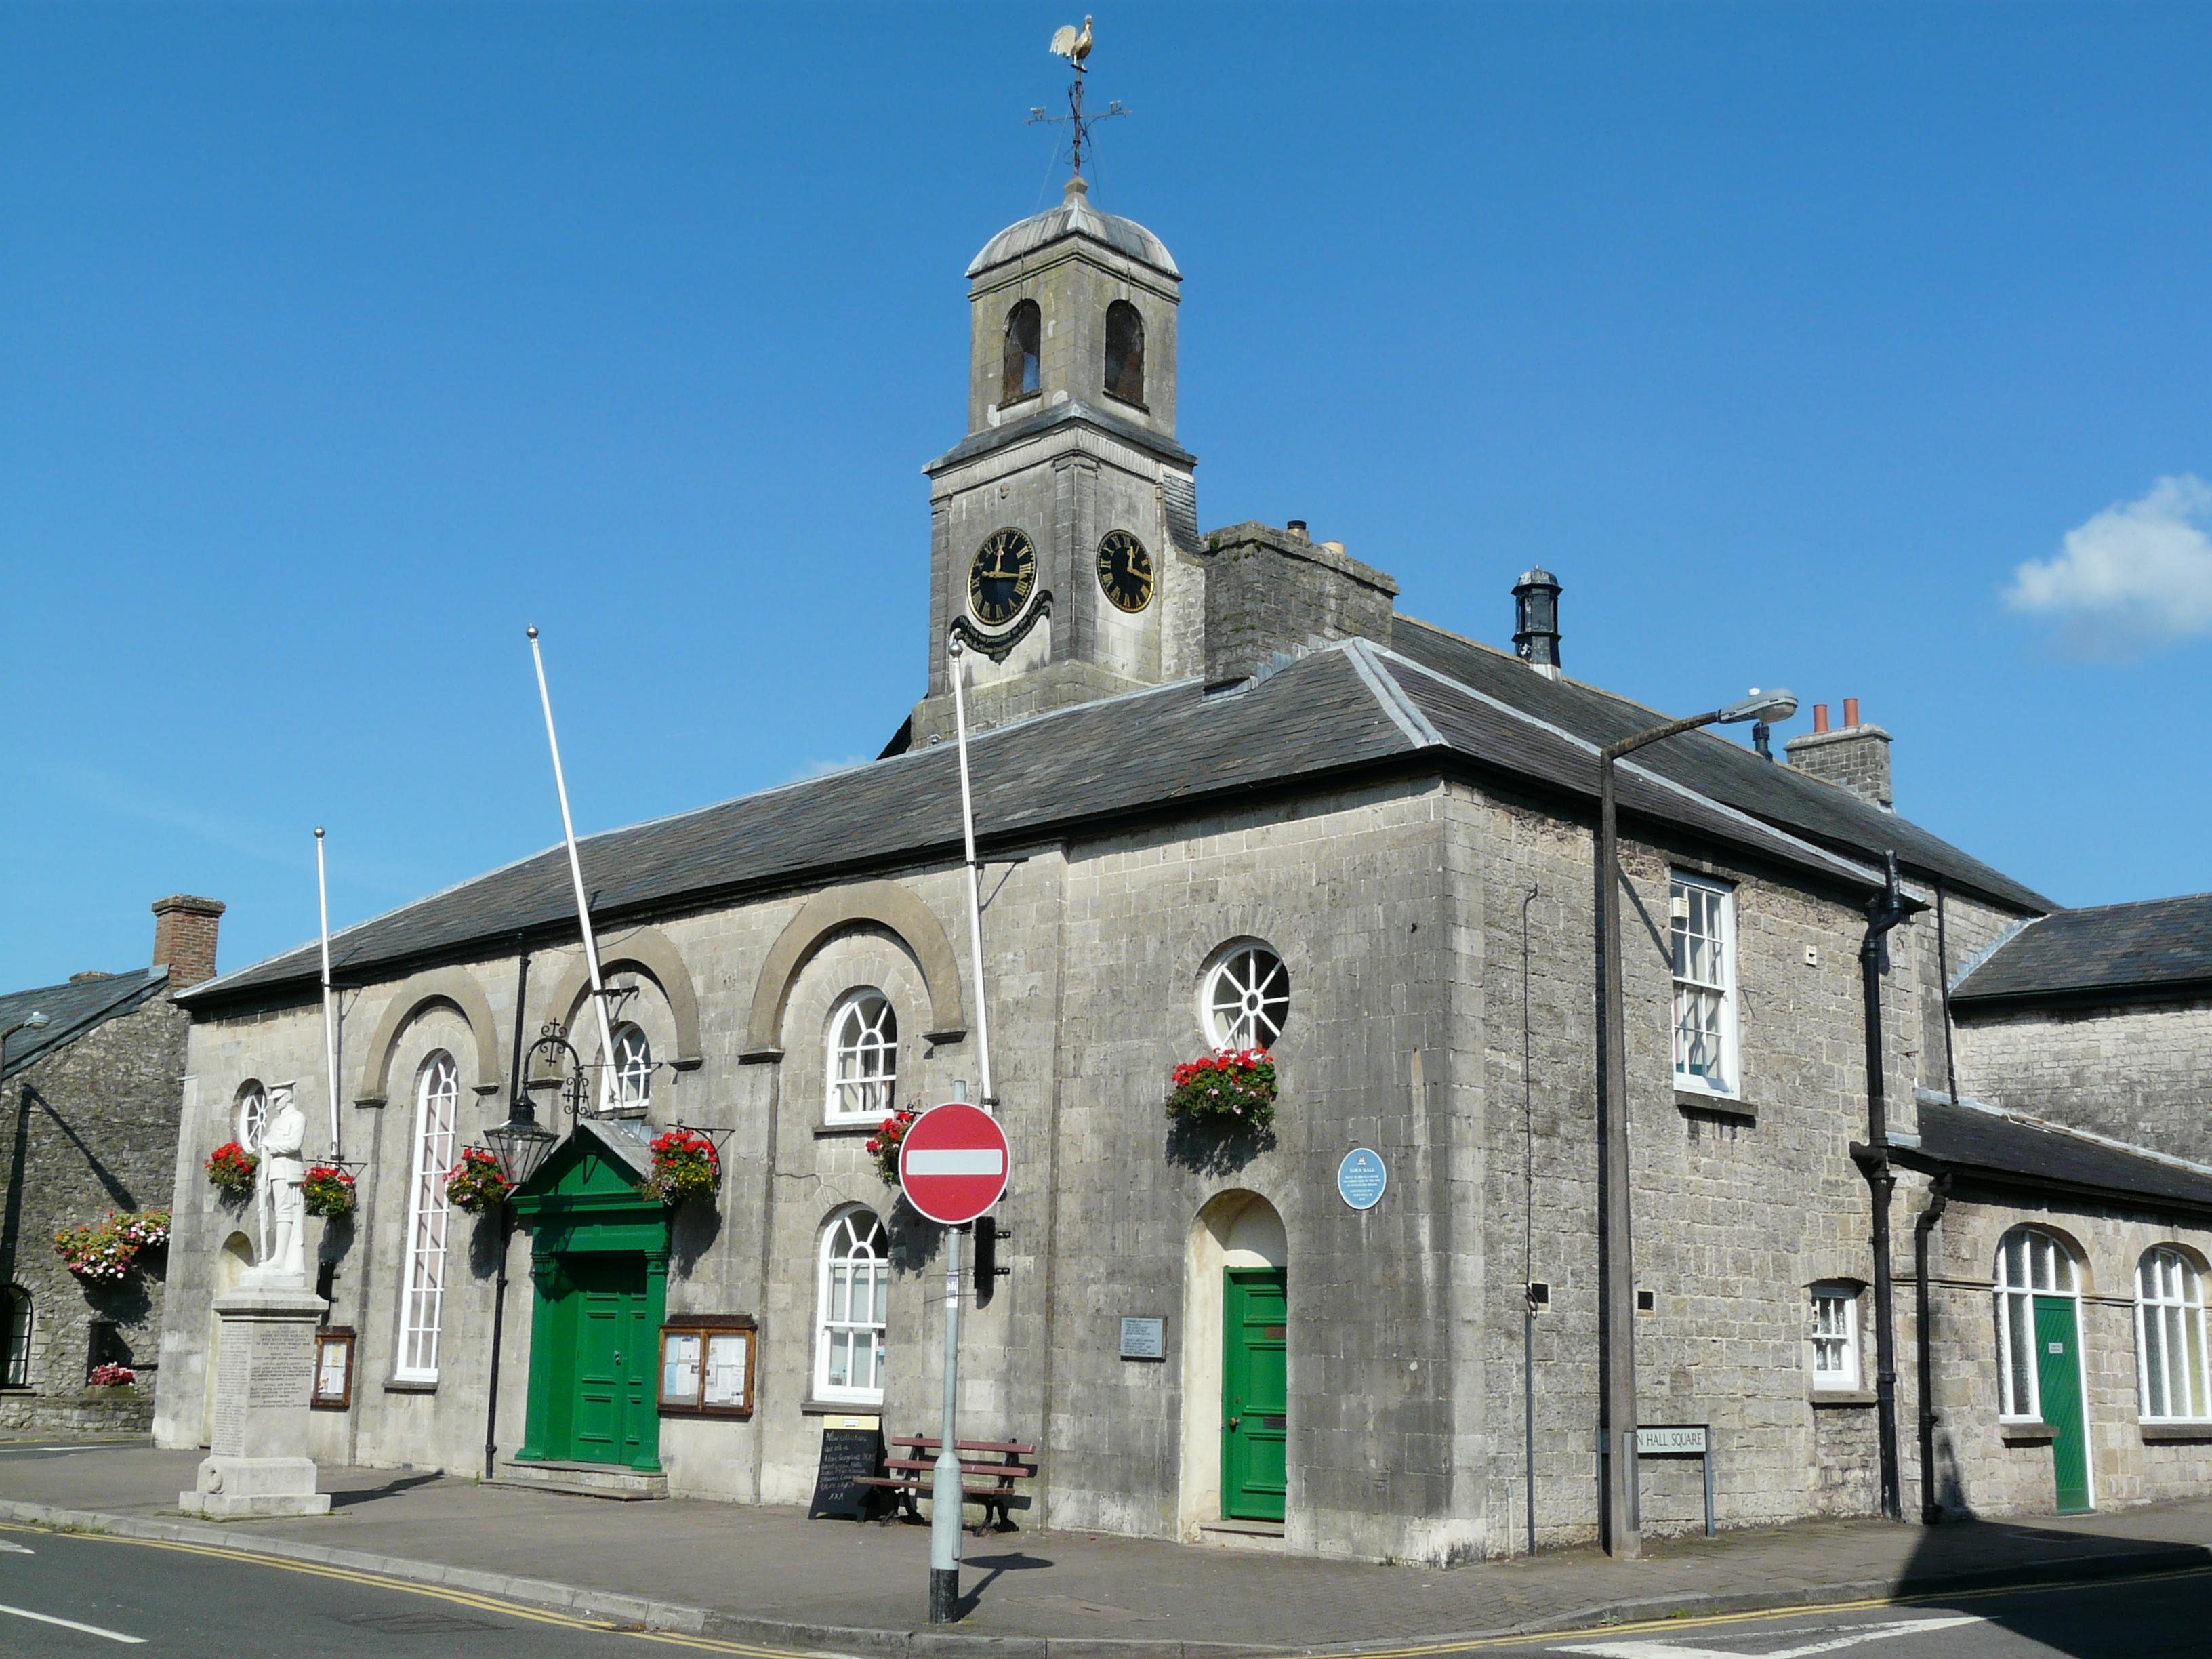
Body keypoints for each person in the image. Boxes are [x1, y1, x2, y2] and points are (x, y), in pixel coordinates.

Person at [249, 1082, 309, 1284]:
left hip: (289, 1170)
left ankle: (282, 1257)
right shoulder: (275, 1123)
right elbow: (266, 1147)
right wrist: (263, 1176)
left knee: (286, 1212)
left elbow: (294, 1144)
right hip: (275, 1170)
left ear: (288, 1097)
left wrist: (271, 1146)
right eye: (273, 1100)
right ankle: (278, 1257)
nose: (275, 1104)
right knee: (278, 1212)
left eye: (278, 1099)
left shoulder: (297, 1118)